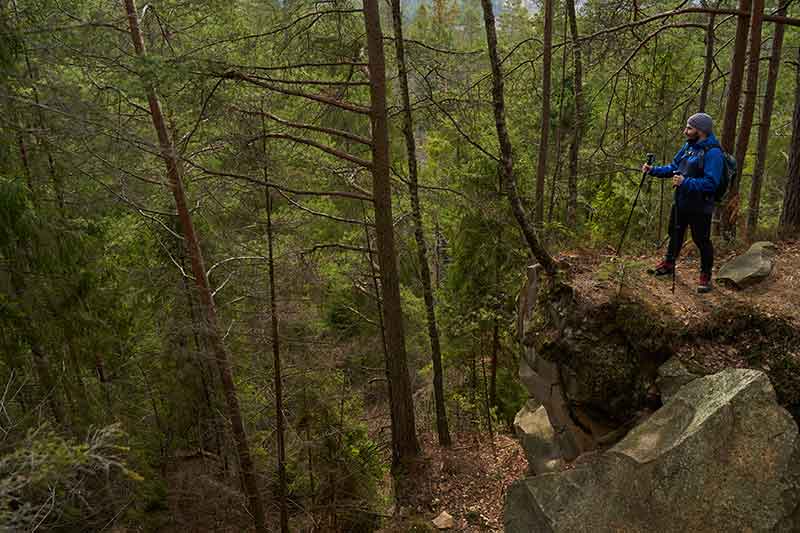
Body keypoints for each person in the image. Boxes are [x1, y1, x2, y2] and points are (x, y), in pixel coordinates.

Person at [642, 112, 723, 293]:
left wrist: (685, 182)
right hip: (681, 201)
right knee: (675, 233)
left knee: (701, 240)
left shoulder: (713, 153)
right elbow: (674, 167)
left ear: (700, 130)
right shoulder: (688, 146)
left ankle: (705, 275)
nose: (685, 131)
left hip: (701, 205)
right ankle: (669, 264)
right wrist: (653, 170)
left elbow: (711, 183)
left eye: (689, 128)